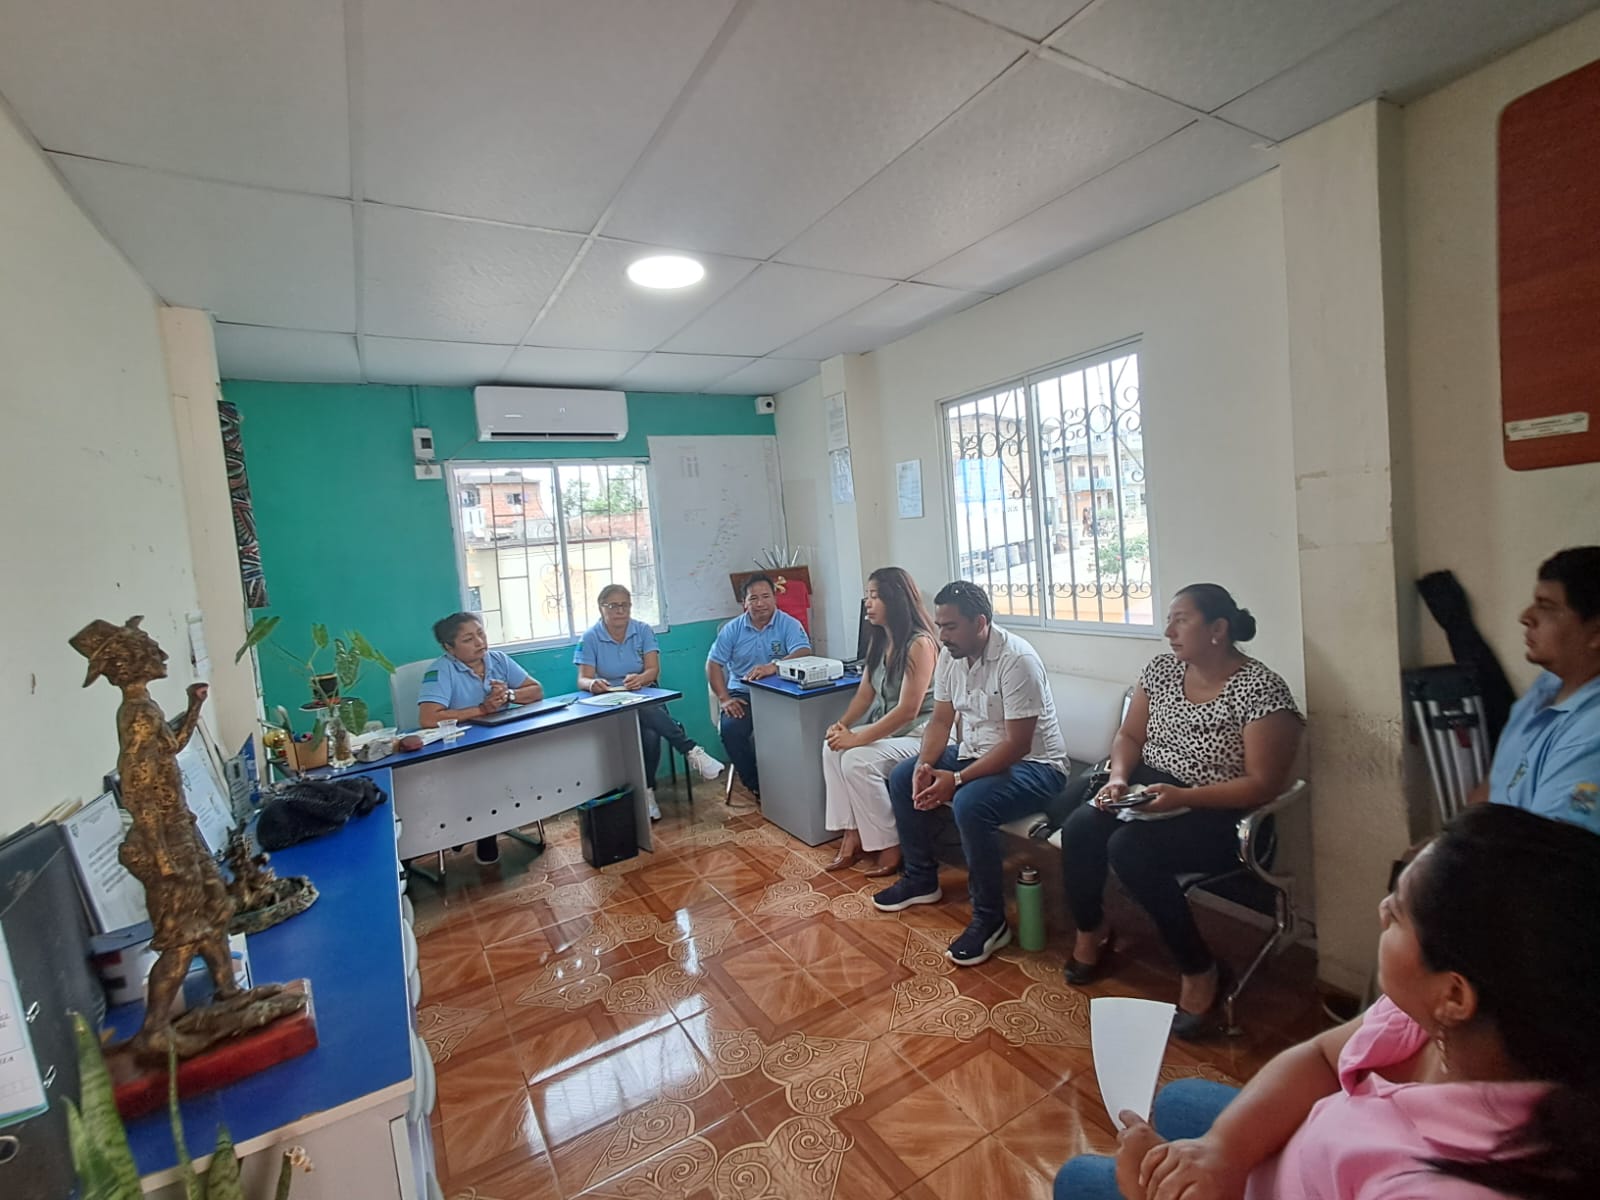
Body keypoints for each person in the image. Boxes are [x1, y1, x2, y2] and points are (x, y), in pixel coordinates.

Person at [1055, 804, 1600, 1200]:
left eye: (1399, 913)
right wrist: (1224, 1149)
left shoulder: (1438, 1185)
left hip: (1307, 1167)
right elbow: (1321, 1057)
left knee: (1080, 1179)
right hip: (1308, 1152)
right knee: (1180, 1099)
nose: (1381, 910)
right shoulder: (1432, 1018)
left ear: (1455, 994)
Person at [1057, 584, 1302, 1039]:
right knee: (1081, 827)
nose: (1168, 631)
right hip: (1149, 790)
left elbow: (1263, 784)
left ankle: (1199, 967)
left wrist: (1185, 798)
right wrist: (1117, 779)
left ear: (1217, 629)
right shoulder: (1162, 670)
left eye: (1181, 620)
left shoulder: (1260, 688)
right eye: (1169, 620)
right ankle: (1092, 930)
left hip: (1223, 812)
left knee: (1130, 849)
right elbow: (1129, 736)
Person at [871, 580, 1068, 966]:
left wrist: (958, 780)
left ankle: (991, 920)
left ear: (980, 623)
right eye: (940, 626)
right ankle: (921, 879)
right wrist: (926, 766)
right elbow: (941, 720)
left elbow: (1017, 745)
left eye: (950, 626)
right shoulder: (951, 656)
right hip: (975, 754)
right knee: (903, 776)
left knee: (970, 803)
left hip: (1036, 767)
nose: (942, 636)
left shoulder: (1017, 660)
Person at [821, 567, 939, 876]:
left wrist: (857, 739)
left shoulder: (920, 644)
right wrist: (842, 725)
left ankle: (890, 844)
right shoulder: (880, 641)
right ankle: (852, 833)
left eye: (875, 596)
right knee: (831, 747)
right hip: (893, 732)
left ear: (895, 600)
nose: (868, 603)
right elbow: (865, 695)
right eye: (867, 596)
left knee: (856, 760)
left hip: (921, 734)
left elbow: (908, 710)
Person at [1475, 547, 1600, 833]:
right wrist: (1443, 844)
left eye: (1547, 607)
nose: (1526, 616)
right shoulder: (1546, 687)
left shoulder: (1593, 733)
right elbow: (1492, 788)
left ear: (1596, 634)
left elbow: (1554, 849)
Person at [575, 584, 724, 822]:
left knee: (650, 734)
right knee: (644, 716)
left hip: (644, 695)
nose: (620, 611)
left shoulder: (642, 630)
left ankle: (647, 793)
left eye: (625, 605)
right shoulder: (590, 637)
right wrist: (593, 684)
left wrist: (641, 679)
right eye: (613, 605)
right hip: (611, 702)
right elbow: (582, 678)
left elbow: (653, 670)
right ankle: (691, 750)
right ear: (601, 608)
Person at [417, 611, 544, 864]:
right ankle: (483, 834)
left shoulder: (498, 660)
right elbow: (428, 718)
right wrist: (481, 710)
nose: (479, 642)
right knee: (486, 772)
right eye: (468, 639)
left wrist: (508, 695)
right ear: (449, 647)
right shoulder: (441, 670)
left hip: (501, 740)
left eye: (481, 634)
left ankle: (481, 829)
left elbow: (536, 691)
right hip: (461, 749)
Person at [705, 573, 812, 800]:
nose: (760, 603)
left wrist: (774, 666)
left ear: (775, 598)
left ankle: (797, 784)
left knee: (804, 727)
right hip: (743, 693)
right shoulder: (732, 629)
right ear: (745, 603)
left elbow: (803, 651)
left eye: (765, 596)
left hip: (782, 694)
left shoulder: (788, 624)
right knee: (731, 729)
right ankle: (757, 786)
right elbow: (713, 664)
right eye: (753, 598)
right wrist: (724, 699)